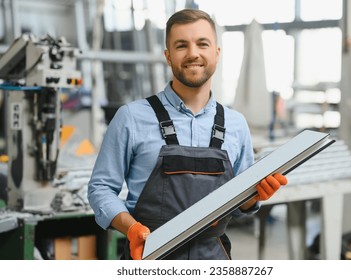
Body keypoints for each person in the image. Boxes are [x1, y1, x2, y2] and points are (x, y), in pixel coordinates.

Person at [87, 8, 287, 260]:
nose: (193, 53)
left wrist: (253, 197)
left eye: (202, 44)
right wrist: (131, 227)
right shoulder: (131, 117)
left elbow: (238, 206)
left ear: (216, 53)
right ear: (168, 56)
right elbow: (101, 188)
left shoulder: (236, 124)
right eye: (181, 45)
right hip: (150, 256)